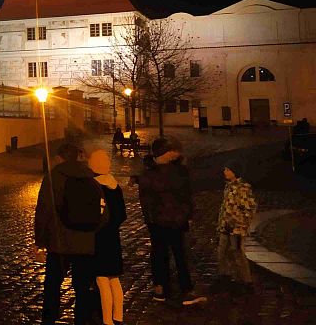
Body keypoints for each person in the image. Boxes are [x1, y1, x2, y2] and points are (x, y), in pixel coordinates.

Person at [33, 143, 106, 325]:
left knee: (52, 285)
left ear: (59, 158)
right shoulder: (91, 178)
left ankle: (49, 319)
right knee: (82, 287)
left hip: (59, 243)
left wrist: (40, 240)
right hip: (85, 242)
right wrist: (91, 232)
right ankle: (82, 319)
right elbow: (104, 212)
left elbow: (44, 210)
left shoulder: (54, 177)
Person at [136, 138, 205, 306]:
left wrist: (186, 215)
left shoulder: (176, 170)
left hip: (173, 221)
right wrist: (151, 220)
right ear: (165, 153)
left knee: (177, 255)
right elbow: (147, 201)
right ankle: (164, 288)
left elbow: (186, 195)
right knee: (163, 255)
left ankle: (180, 288)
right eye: (172, 151)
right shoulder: (154, 173)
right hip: (162, 222)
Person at [88, 150, 127, 325]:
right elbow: (122, 214)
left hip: (98, 237)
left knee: (102, 280)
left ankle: (107, 320)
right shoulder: (114, 185)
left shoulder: (92, 186)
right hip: (113, 237)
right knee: (115, 279)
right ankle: (118, 316)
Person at [216, 160, 257, 294]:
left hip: (236, 228)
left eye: (228, 170)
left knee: (237, 253)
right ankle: (225, 276)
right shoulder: (228, 186)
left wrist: (237, 222)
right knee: (222, 252)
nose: (225, 172)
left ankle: (246, 281)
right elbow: (225, 207)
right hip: (225, 227)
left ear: (235, 172)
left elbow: (249, 208)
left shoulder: (243, 187)